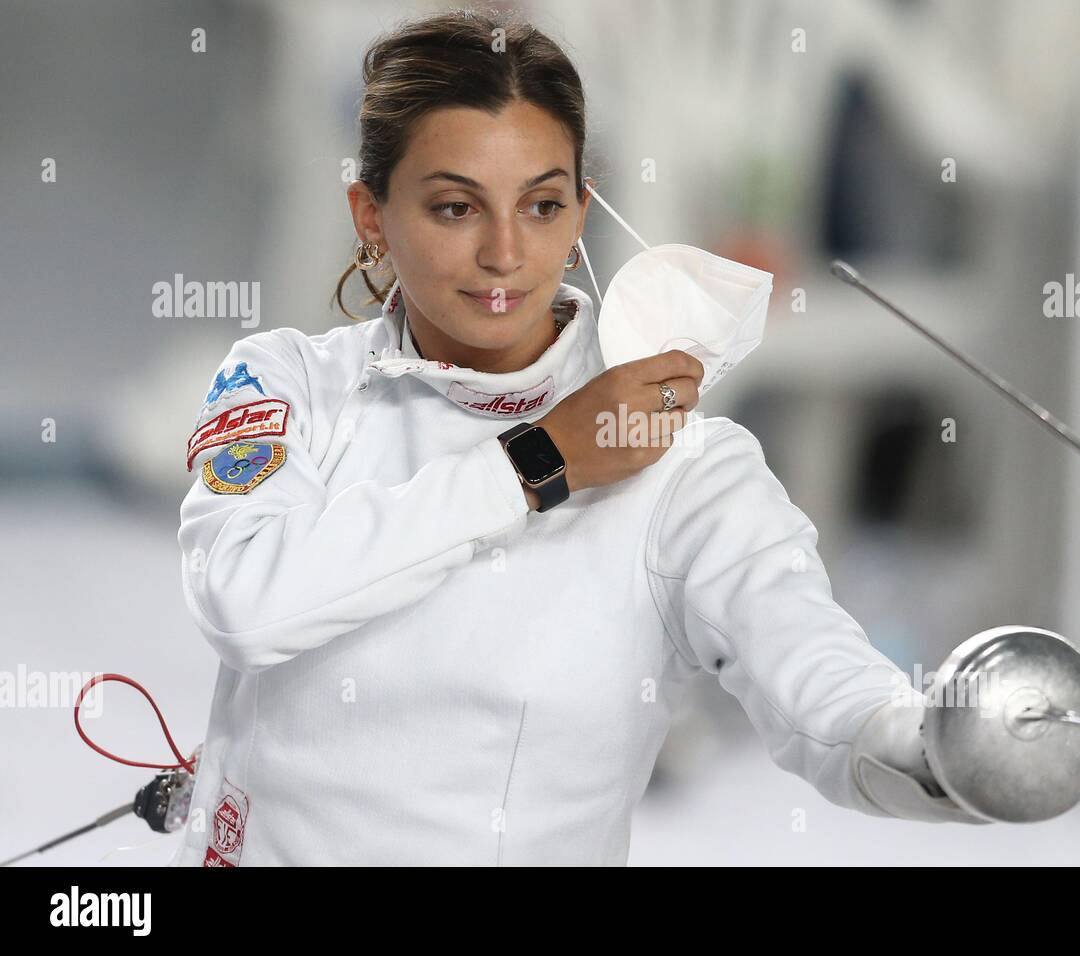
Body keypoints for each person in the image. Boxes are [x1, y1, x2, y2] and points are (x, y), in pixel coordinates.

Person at [170, 9, 984, 868]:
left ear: (581, 212)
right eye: (455, 207)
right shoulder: (288, 382)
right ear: (370, 217)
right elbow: (242, 600)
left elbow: (824, 690)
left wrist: (937, 751)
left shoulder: (674, 459)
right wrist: (541, 459)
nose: (505, 253)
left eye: (542, 205)